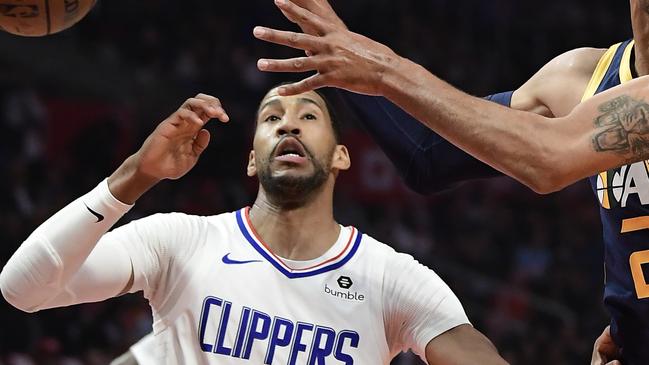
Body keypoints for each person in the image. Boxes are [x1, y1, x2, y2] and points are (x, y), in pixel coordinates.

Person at [252, 0, 649, 363]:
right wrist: (336, 46)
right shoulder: (580, 77)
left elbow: (545, 157)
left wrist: (383, 69)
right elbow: (426, 156)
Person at [0, 89, 508, 364]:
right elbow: (22, 289)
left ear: (342, 156)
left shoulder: (392, 278)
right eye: (271, 118)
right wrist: (136, 175)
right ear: (251, 159)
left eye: (308, 116)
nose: (288, 124)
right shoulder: (180, 240)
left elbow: (470, 352)